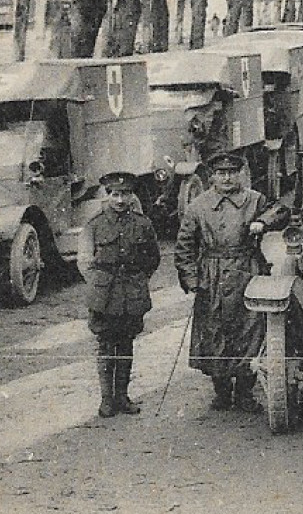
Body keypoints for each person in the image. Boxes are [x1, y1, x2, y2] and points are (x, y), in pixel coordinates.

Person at [175, 151, 288, 411]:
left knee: (249, 329)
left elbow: (281, 211)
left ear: (240, 175)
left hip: (247, 271)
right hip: (211, 276)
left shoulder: (254, 199)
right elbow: (184, 247)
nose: (226, 178)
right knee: (214, 331)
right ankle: (222, 392)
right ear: (212, 176)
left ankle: (245, 393)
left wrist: (262, 221)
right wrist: (192, 279)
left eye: (231, 173)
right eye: (221, 173)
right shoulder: (199, 206)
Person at [77, 172, 162, 418]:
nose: (120, 200)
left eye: (125, 194)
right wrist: (98, 284)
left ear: (132, 195)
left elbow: (152, 258)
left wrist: (138, 281)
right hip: (104, 295)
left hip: (131, 293)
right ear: (108, 196)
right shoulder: (95, 224)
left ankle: (122, 397)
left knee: (125, 344)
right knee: (105, 345)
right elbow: (85, 261)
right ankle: (106, 401)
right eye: (115, 194)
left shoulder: (142, 224)